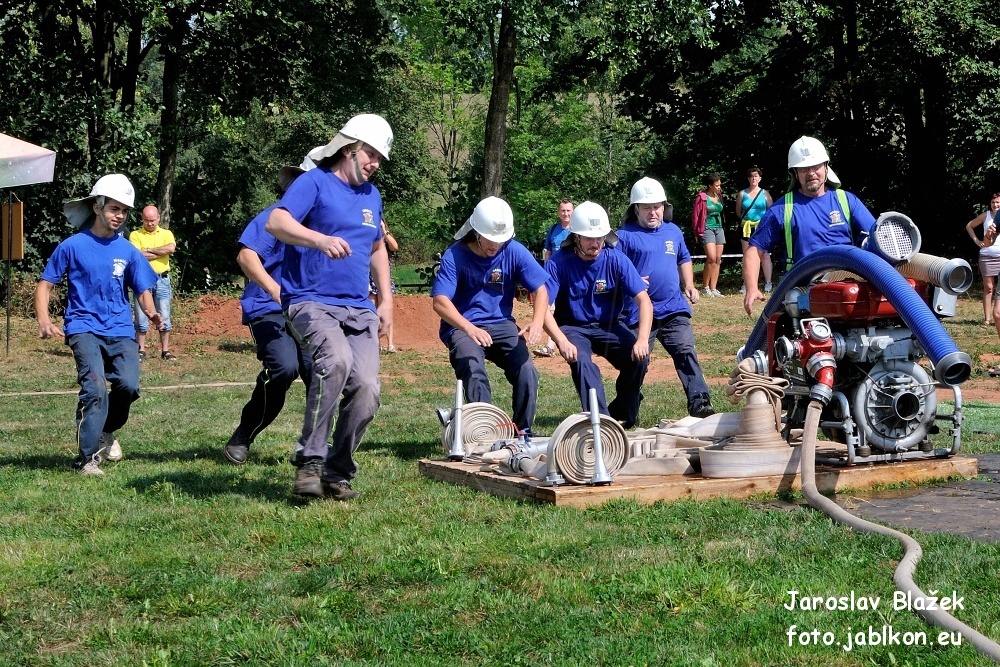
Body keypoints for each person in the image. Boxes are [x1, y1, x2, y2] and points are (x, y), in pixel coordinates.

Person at [265, 113, 394, 501]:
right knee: (334, 362)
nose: (374, 164)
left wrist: (386, 298)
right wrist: (318, 240)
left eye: (379, 159)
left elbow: (375, 247)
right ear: (350, 149)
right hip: (310, 300)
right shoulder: (314, 182)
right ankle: (311, 460)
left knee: (368, 388)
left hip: (359, 307)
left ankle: (337, 472)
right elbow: (276, 221)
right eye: (370, 154)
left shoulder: (372, 196)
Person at [36, 174, 163, 475]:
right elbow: (44, 285)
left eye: (124, 211)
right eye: (114, 209)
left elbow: (142, 288)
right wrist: (44, 319)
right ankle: (86, 458)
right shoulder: (72, 246)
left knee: (129, 386)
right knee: (94, 389)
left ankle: (106, 431)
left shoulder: (128, 251)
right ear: (97, 206)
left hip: (121, 329)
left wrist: (152, 312)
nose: (119, 216)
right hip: (83, 327)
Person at [222, 149, 320, 465]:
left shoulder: (324, 224)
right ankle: (244, 434)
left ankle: (314, 449)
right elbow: (246, 257)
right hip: (267, 305)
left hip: (309, 308)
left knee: (320, 372)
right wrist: (275, 287)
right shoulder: (272, 217)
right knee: (284, 367)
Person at [431, 197, 549, 433]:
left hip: (502, 324)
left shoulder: (513, 250)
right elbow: (440, 302)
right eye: (490, 239)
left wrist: (537, 322)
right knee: (473, 368)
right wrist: (469, 328)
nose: (495, 244)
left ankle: (522, 430)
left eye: (501, 239)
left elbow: (541, 289)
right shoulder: (455, 256)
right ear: (476, 232)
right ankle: (484, 431)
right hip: (463, 327)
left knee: (527, 370)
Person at [542, 201, 653, 428]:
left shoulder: (616, 259)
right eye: (589, 238)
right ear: (576, 237)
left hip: (610, 324)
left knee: (639, 359)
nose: (596, 243)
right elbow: (543, 307)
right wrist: (561, 341)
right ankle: (601, 422)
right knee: (582, 362)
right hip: (573, 327)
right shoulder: (557, 263)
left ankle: (622, 413)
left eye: (600, 237)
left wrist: (642, 340)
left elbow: (644, 301)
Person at [743, 136, 877, 316]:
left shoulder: (846, 201)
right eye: (804, 168)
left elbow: (877, 239)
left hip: (848, 291)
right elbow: (754, 250)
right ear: (796, 173)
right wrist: (752, 288)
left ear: (826, 167)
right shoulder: (782, 209)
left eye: (816, 166)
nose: (811, 172)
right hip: (803, 293)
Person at [617, 177, 715, 418]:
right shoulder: (624, 236)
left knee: (685, 350)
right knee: (637, 361)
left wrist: (690, 284)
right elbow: (614, 269)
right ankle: (625, 408)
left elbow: (683, 258)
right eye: (647, 207)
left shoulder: (673, 231)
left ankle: (699, 402)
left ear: (664, 207)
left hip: (673, 307)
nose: (653, 212)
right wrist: (633, 282)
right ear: (636, 209)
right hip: (639, 311)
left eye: (657, 206)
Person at [129, 205, 177, 360]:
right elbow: (137, 255)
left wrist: (148, 250)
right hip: (142, 279)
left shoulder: (166, 233)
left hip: (162, 279)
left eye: (152, 220)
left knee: (164, 314)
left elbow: (170, 249)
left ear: (158, 218)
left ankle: (165, 350)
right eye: (146, 221)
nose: (150, 223)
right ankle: (141, 350)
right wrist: (158, 251)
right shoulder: (135, 235)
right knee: (141, 316)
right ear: (142, 219)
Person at [534, 198, 574, 357]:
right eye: (563, 210)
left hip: (571, 274)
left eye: (568, 210)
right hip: (554, 274)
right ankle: (551, 345)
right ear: (559, 212)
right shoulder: (553, 230)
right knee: (550, 306)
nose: (565, 213)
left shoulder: (577, 230)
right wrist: (545, 272)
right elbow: (548, 252)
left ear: (573, 212)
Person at [965, 192, 1000, 328]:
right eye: (993, 202)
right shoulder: (985, 216)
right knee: (989, 288)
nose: (995, 205)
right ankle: (987, 319)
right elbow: (969, 226)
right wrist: (977, 241)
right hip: (986, 256)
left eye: (998, 202)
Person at [736, 166, 774, 294]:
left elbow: (771, 211)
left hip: (761, 227)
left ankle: (768, 282)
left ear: (760, 178)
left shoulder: (765, 193)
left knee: (765, 255)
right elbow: (738, 212)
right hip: (746, 226)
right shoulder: (742, 194)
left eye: (756, 176)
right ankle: (747, 283)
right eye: (751, 176)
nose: (754, 178)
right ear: (748, 178)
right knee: (747, 255)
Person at [692, 172, 726, 296]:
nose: (719, 188)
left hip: (719, 228)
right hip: (706, 228)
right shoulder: (701, 197)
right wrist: (696, 232)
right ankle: (705, 287)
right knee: (711, 258)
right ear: (710, 185)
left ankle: (713, 288)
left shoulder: (719, 196)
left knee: (717, 259)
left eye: (719, 185)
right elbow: (695, 216)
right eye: (717, 185)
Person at [370, 219, 398, 353]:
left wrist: (384, 232)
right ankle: (376, 343)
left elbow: (395, 247)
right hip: (368, 278)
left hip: (383, 279)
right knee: (371, 310)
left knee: (386, 310)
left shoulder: (385, 238)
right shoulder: (368, 236)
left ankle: (390, 344)